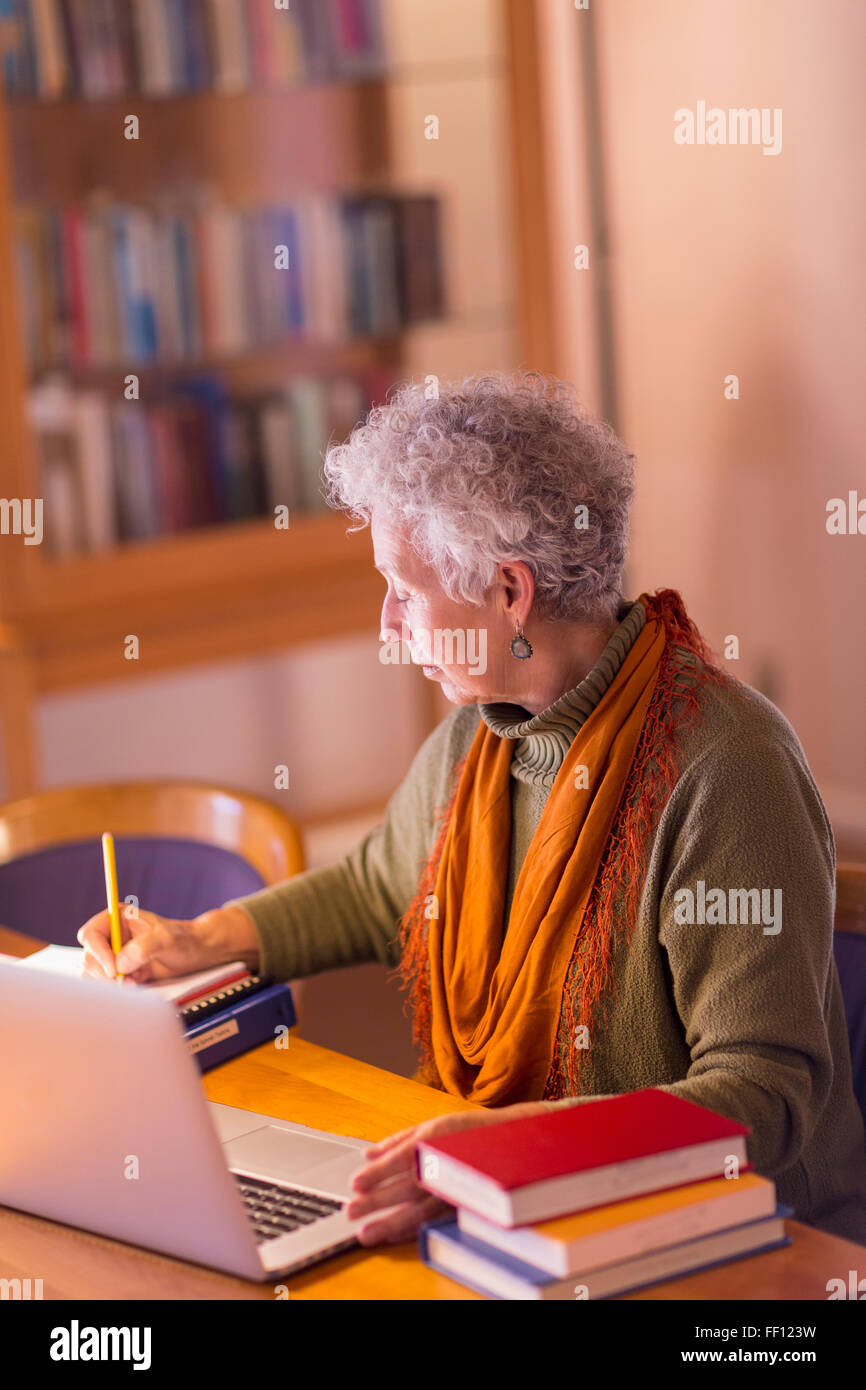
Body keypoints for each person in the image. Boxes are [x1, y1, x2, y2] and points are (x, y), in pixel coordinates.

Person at [80, 371, 866, 1249]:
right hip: (527, 1215)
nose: (387, 626)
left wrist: (518, 1150)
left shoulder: (727, 769)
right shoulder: (481, 740)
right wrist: (202, 939)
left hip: (746, 1245)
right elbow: (379, 889)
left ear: (509, 592)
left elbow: (763, 1094)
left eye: (405, 592)